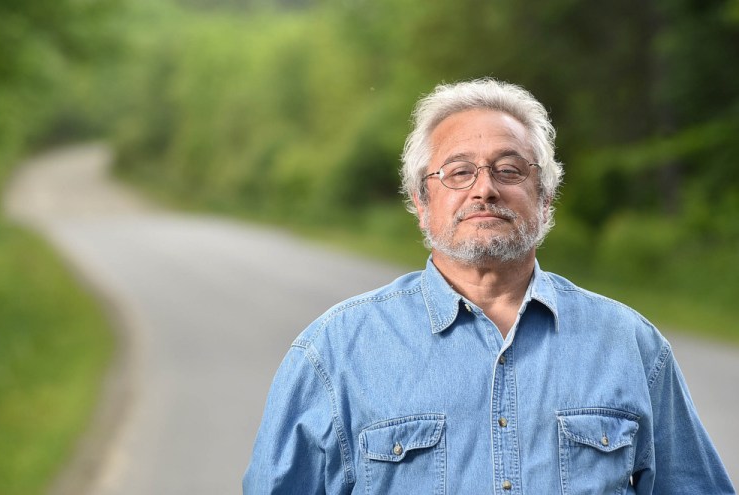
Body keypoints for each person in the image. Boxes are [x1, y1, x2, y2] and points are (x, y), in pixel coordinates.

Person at [243, 78, 735, 494]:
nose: (485, 188)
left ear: (544, 199)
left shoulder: (629, 344)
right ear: (421, 201)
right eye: (459, 172)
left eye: (509, 169)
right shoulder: (332, 353)